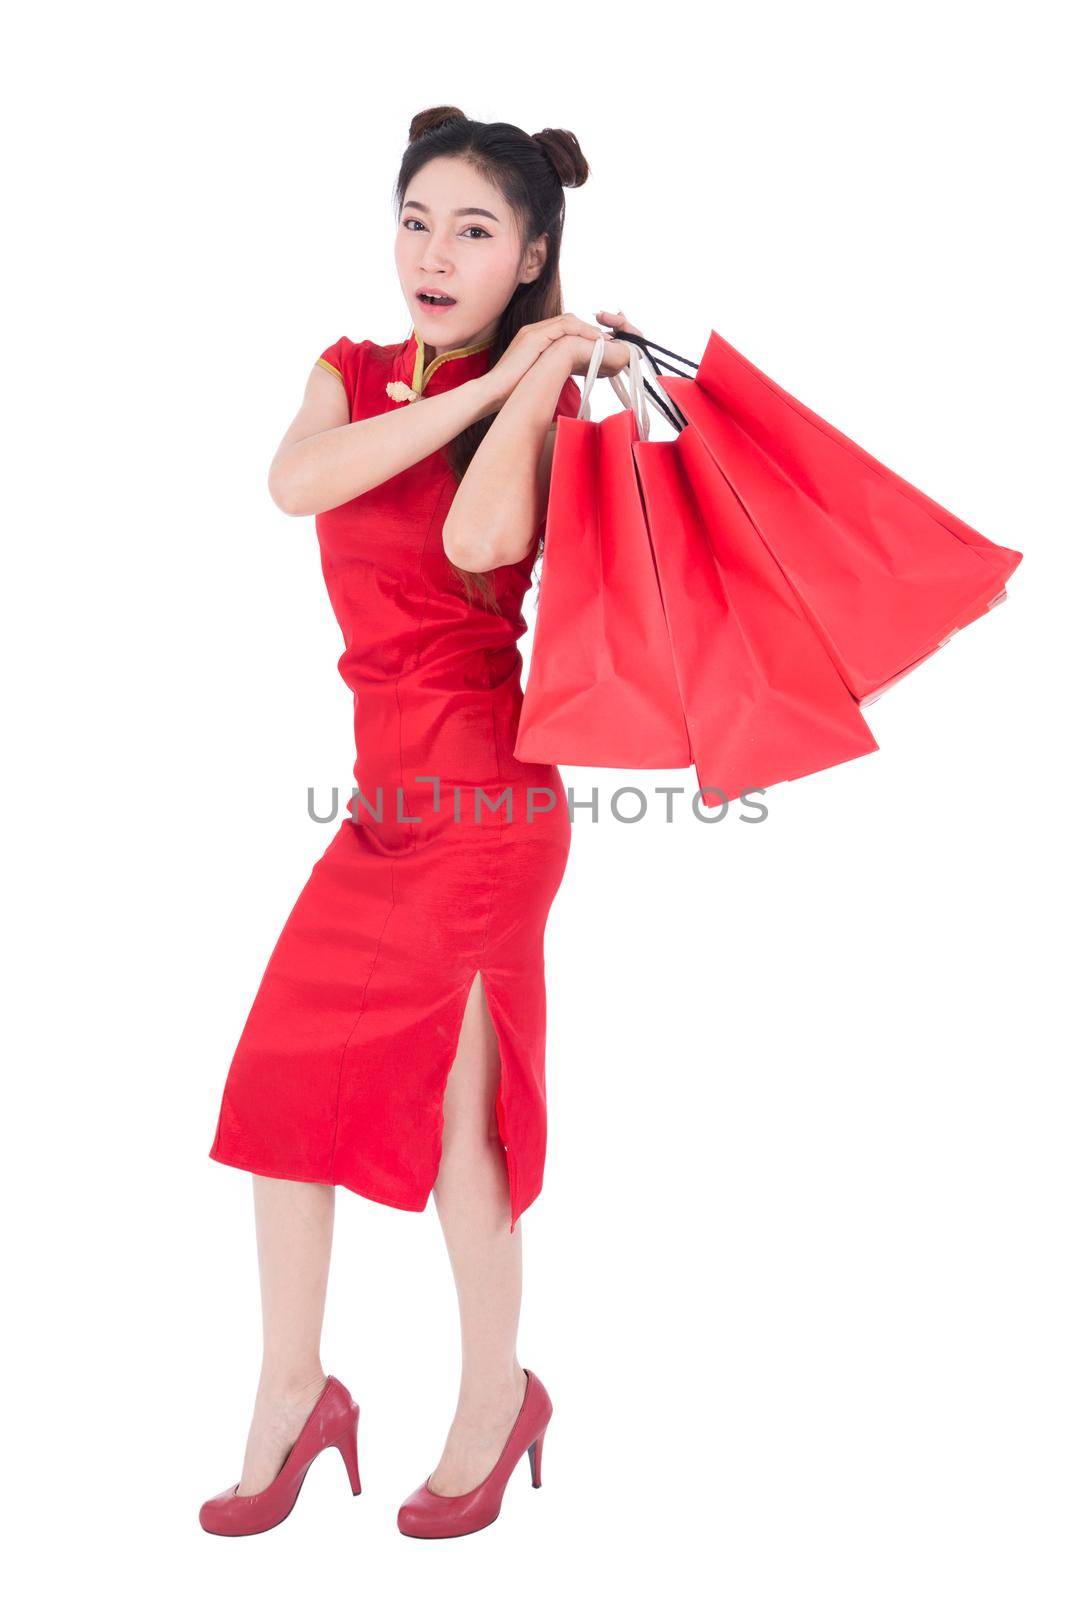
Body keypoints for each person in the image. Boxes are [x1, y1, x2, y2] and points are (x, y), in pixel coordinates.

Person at [200, 105, 641, 1540]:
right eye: (417, 221)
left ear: (532, 255)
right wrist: (489, 375)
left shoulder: (551, 401)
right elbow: (295, 484)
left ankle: (494, 1395)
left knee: (462, 1131)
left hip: (485, 801)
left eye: (472, 230)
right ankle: (292, 1393)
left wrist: (529, 384)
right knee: (279, 1092)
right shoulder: (346, 371)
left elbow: (476, 546)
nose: (434, 254)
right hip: (382, 805)